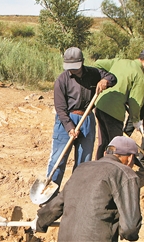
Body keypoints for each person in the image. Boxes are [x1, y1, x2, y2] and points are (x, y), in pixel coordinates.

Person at [34, 136, 143, 242]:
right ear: (130, 158)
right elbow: (130, 227)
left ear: (105, 153)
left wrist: (39, 221)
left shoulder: (81, 168)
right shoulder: (125, 174)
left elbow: (58, 204)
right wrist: (130, 235)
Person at [46, 47, 117, 190]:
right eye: (70, 68)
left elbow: (113, 78)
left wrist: (105, 81)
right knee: (57, 160)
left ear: (82, 62)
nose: (72, 71)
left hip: (87, 119)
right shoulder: (62, 80)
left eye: (75, 68)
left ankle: (76, 193)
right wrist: (69, 126)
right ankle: (50, 194)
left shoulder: (94, 73)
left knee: (84, 161)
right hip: (65, 120)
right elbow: (60, 108)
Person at [94, 47, 144, 160]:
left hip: (100, 104)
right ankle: (112, 174)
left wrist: (105, 78)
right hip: (114, 111)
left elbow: (97, 64)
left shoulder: (120, 61)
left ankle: (99, 170)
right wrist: (136, 120)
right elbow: (135, 103)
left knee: (104, 142)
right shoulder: (140, 77)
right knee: (116, 148)